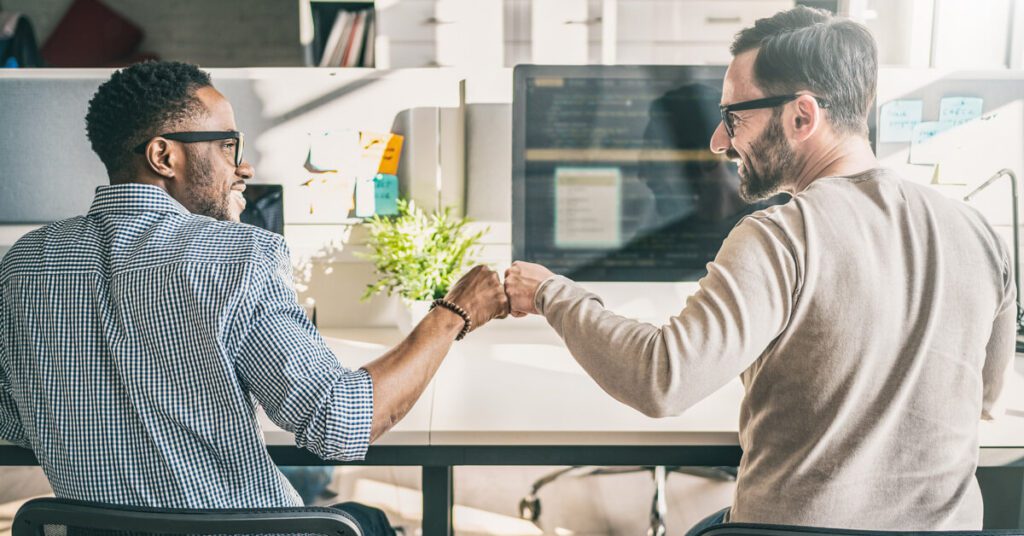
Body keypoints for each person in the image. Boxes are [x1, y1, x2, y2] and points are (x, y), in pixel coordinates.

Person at [504, 6, 1015, 532]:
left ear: (801, 116)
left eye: (734, 117)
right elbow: (985, 400)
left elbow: (663, 379)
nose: (719, 143)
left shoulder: (780, 237)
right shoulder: (981, 235)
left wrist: (550, 293)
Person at [0, 60, 508, 535]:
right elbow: (341, 423)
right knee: (365, 518)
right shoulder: (237, 254)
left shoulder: (25, 261)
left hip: (97, 528)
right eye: (228, 147)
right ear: (164, 156)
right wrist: (453, 314)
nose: (244, 167)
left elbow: (14, 422)